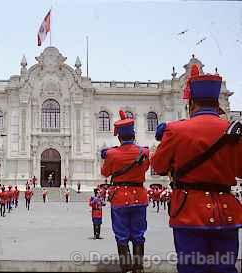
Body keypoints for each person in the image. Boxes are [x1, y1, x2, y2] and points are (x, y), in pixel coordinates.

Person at [151, 65, 242, 273]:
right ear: (217, 103)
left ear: (191, 102)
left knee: (192, 268)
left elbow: (158, 166)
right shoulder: (233, 132)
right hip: (225, 214)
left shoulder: (176, 130)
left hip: (189, 211)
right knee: (224, 268)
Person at [101, 109, 150, 273]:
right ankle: (138, 267)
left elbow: (105, 172)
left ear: (119, 136)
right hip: (139, 198)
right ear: (133, 134)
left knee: (121, 235)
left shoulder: (112, 154)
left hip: (120, 198)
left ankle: (126, 267)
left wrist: (108, 156)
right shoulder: (144, 152)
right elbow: (146, 167)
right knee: (138, 234)